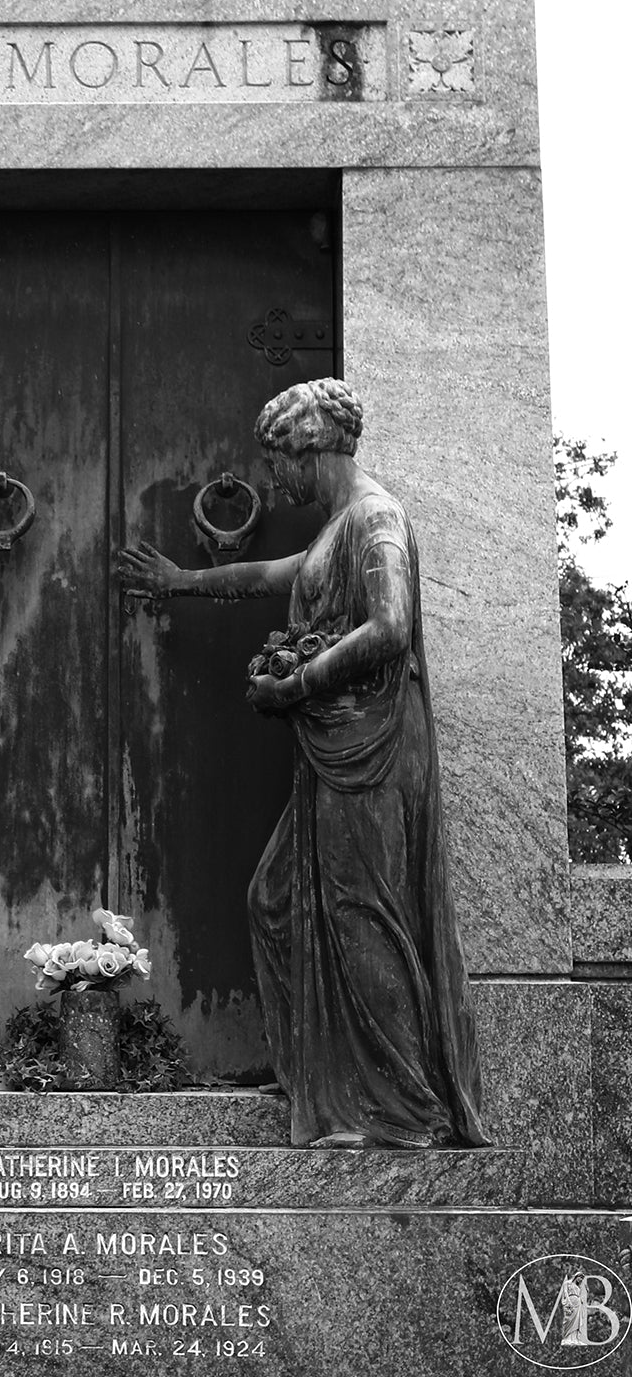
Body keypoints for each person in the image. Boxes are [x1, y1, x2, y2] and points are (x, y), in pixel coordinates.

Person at [118, 377, 489, 1149]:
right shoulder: (339, 526)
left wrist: (298, 683)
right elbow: (269, 576)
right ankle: (327, 1078)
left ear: (311, 447)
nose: (272, 480)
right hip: (338, 750)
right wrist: (183, 583)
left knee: (363, 918)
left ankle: (401, 1108)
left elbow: (390, 626)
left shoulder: (376, 519)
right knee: (277, 898)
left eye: (277, 462)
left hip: (370, 751)